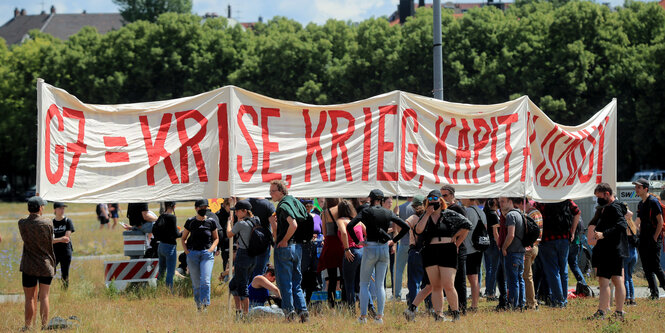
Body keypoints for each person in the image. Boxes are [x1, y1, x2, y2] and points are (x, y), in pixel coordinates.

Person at [347, 189, 409, 324]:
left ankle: (363, 317)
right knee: (380, 285)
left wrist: (357, 241)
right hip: (384, 248)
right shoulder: (388, 212)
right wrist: (394, 240)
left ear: (371, 199)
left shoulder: (366, 211)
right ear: (381, 200)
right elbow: (405, 227)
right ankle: (379, 317)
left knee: (364, 283)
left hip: (370, 247)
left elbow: (350, 225)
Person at [415, 190, 471, 321]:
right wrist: (427, 214)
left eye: (436, 198)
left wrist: (457, 240)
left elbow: (467, 226)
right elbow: (418, 230)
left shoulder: (449, 214)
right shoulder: (425, 215)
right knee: (435, 285)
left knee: (448, 284)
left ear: (441, 200)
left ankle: (455, 313)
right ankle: (439, 314)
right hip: (431, 251)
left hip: (447, 250)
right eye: (430, 198)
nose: (433, 201)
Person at [268, 179, 309, 323]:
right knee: (296, 282)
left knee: (285, 283)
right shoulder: (295, 202)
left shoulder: (283, 206)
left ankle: (289, 314)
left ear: (281, 191)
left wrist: (284, 239)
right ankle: (303, 312)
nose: (270, 194)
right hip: (298, 248)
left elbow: (293, 225)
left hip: (286, 247)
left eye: (273, 191)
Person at [586, 183, 628, 320]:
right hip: (615, 250)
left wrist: (604, 234)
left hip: (610, 250)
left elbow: (622, 225)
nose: (598, 200)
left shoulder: (614, 207)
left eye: (600, 197)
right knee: (616, 280)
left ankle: (602, 312)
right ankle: (618, 312)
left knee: (605, 282)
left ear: (607, 194)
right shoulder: (616, 206)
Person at [534, 199, 581, 307]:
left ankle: (559, 301)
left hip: (547, 239)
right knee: (563, 271)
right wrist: (572, 232)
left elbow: (535, 214)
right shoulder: (565, 199)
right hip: (564, 238)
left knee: (552, 271)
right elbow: (577, 212)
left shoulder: (542, 200)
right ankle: (563, 299)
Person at [19, 196, 56, 331]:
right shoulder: (48, 223)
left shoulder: (22, 223)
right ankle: (44, 326)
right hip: (45, 264)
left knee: (29, 298)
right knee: (44, 296)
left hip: (29, 264)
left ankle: (28, 326)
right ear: (40, 208)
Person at [180, 199, 219, 311]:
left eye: (205, 207)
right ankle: (198, 305)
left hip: (206, 254)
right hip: (193, 254)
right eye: (201, 207)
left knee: (205, 281)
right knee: (196, 283)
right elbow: (183, 238)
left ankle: (205, 304)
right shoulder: (190, 221)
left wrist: (211, 249)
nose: (204, 209)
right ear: (196, 208)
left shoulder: (211, 222)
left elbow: (216, 238)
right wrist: (187, 252)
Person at [226, 199, 259, 319]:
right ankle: (238, 312)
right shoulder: (256, 221)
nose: (235, 213)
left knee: (242, 286)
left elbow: (229, 234)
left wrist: (229, 222)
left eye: (237, 211)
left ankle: (245, 315)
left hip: (243, 256)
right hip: (253, 257)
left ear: (244, 211)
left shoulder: (241, 224)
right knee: (233, 284)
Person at [632, 178, 665, 299]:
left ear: (646, 189)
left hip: (653, 239)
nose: (636, 189)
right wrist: (631, 231)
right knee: (646, 267)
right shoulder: (641, 204)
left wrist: (655, 238)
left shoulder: (653, 202)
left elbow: (660, 222)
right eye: (635, 187)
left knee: (655, 266)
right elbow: (637, 222)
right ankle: (654, 294)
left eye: (638, 187)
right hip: (643, 239)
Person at [440, 185, 468, 314]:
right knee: (450, 281)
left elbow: (466, 228)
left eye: (445, 195)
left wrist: (457, 243)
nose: (443, 198)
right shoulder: (447, 208)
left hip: (457, 247)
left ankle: (461, 308)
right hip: (448, 247)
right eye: (442, 196)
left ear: (452, 195)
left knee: (459, 280)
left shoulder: (457, 208)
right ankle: (453, 307)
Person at [499, 197, 526, 310]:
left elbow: (511, 235)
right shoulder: (521, 214)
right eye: (499, 201)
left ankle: (514, 305)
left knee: (513, 280)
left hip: (513, 252)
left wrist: (504, 248)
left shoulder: (511, 216)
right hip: (520, 251)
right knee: (520, 279)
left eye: (503, 201)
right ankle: (521, 303)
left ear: (510, 202)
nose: (500, 204)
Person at [317, 198, 344, 308]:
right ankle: (344, 300)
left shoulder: (325, 213)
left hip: (330, 243)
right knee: (343, 275)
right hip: (341, 242)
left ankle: (331, 303)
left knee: (331, 277)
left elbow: (324, 232)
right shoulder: (342, 209)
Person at [336, 199, 362, 309]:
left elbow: (343, 232)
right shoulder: (358, 221)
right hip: (362, 252)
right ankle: (368, 307)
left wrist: (346, 249)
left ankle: (351, 309)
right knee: (363, 283)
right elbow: (367, 233)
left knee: (349, 283)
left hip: (351, 251)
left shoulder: (341, 220)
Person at [461, 198, 487, 311]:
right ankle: (474, 305)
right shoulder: (481, 211)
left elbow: (464, 230)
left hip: (469, 247)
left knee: (471, 278)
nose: (461, 199)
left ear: (468, 199)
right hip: (479, 247)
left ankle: (473, 305)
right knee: (475, 278)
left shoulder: (467, 211)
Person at [299, 199, 322, 305]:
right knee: (302, 270)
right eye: (306, 206)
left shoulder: (317, 217)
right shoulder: (300, 217)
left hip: (316, 246)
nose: (308, 208)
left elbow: (322, 231)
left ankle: (311, 297)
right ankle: (301, 296)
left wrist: (322, 238)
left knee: (314, 271)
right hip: (304, 246)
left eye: (310, 206)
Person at [154, 201, 181, 289]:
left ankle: (159, 288)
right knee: (170, 271)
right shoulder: (172, 217)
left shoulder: (161, 216)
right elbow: (176, 234)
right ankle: (169, 291)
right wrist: (183, 232)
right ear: (174, 206)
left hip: (161, 246)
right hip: (170, 247)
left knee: (161, 270)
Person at [248, 197, 276, 278]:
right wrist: (275, 240)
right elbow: (274, 225)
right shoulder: (268, 204)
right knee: (260, 270)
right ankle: (257, 289)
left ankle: (249, 289)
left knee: (248, 269)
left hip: (248, 240)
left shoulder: (246, 202)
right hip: (263, 242)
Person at [393, 197, 414, 301]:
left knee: (398, 269)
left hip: (404, 241)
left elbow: (397, 227)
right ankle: (413, 293)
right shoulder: (417, 207)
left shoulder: (400, 208)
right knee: (413, 270)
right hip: (414, 243)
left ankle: (397, 294)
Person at [524, 199, 543, 310]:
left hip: (530, 246)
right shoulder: (537, 212)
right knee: (528, 275)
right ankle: (531, 301)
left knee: (527, 276)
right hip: (536, 246)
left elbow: (530, 231)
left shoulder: (529, 214)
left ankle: (531, 303)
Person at [51, 202, 74, 289]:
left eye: (63, 208)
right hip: (54, 252)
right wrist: (60, 239)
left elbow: (66, 238)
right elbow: (50, 241)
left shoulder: (68, 221)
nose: (62, 210)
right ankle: (42, 292)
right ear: (55, 210)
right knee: (50, 271)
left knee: (65, 273)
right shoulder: (51, 222)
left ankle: (64, 292)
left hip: (66, 251)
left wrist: (56, 240)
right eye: (60, 208)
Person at [483, 198, 501, 302]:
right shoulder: (493, 215)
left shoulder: (486, 213)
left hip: (486, 242)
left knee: (489, 268)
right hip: (493, 243)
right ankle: (491, 293)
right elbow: (495, 233)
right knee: (493, 269)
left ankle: (489, 291)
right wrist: (499, 244)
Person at [624, 206, 638, 306]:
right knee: (630, 276)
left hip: (626, 252)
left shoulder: (624, 225)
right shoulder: (633, 225)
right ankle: (632, 298)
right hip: (634, 253)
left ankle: (627, 298)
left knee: (625, 277)